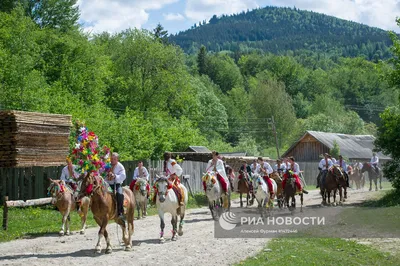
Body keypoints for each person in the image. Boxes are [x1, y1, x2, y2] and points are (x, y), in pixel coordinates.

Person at [106, 152, 127, 221]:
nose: (112, 160)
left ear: (117, 159)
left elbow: (123, 176)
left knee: (119, 194)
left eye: (114, 159)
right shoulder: (107, 165)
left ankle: (120, 212)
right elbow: (102, 173)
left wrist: (115, 176)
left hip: (116, 184)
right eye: (111, 159)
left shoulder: (120, 166)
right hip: (108, 184)